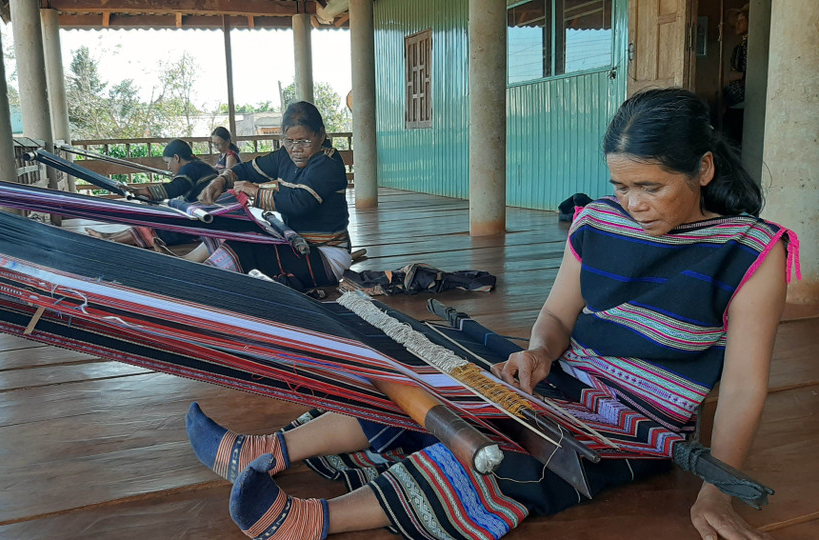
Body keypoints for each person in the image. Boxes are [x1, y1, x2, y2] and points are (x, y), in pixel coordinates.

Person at [184, 88, 798, 540]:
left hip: (640, 422)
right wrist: (536, 352)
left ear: (704, 170)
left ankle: (316, 521)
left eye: (652, 188)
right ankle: (265, 448)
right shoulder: (596, 222)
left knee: (510, 452)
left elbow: (743, 385)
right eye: (621, 185)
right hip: (565, 374)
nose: (632, 204)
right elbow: (557, 317)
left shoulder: (749, 250)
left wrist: (718, 489)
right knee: (431, 370)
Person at [189, 101, 351, 290]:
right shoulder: (285, 156)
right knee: (237, 229)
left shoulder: (327, 163)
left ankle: (198, 283)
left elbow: (298, 202)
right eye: (289, 141)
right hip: (296, 243)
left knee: (244, 249)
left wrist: (255, 192)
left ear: (321, 135)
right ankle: (187, 262)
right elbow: (248, 169)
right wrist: (222, 180)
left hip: (326, 257)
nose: (296, 148)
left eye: (305, 141)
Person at [85, 139, 217, 249]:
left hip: (203, 223)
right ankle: (110, 237)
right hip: (203, 216)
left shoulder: (190, 168)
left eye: (168, 162)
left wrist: (140, 191)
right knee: (154, 218)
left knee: (158, 225)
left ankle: (113, 240)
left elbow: (175, 189)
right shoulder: (198, 166)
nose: (168, 167)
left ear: (176, 158)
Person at [722, 3, 749, 144]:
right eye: (736, 22)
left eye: (741, 21)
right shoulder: (740, 46)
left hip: (745, 101)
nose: (737, 25)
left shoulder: (753, 46)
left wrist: (739, 76)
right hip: (734, 101)